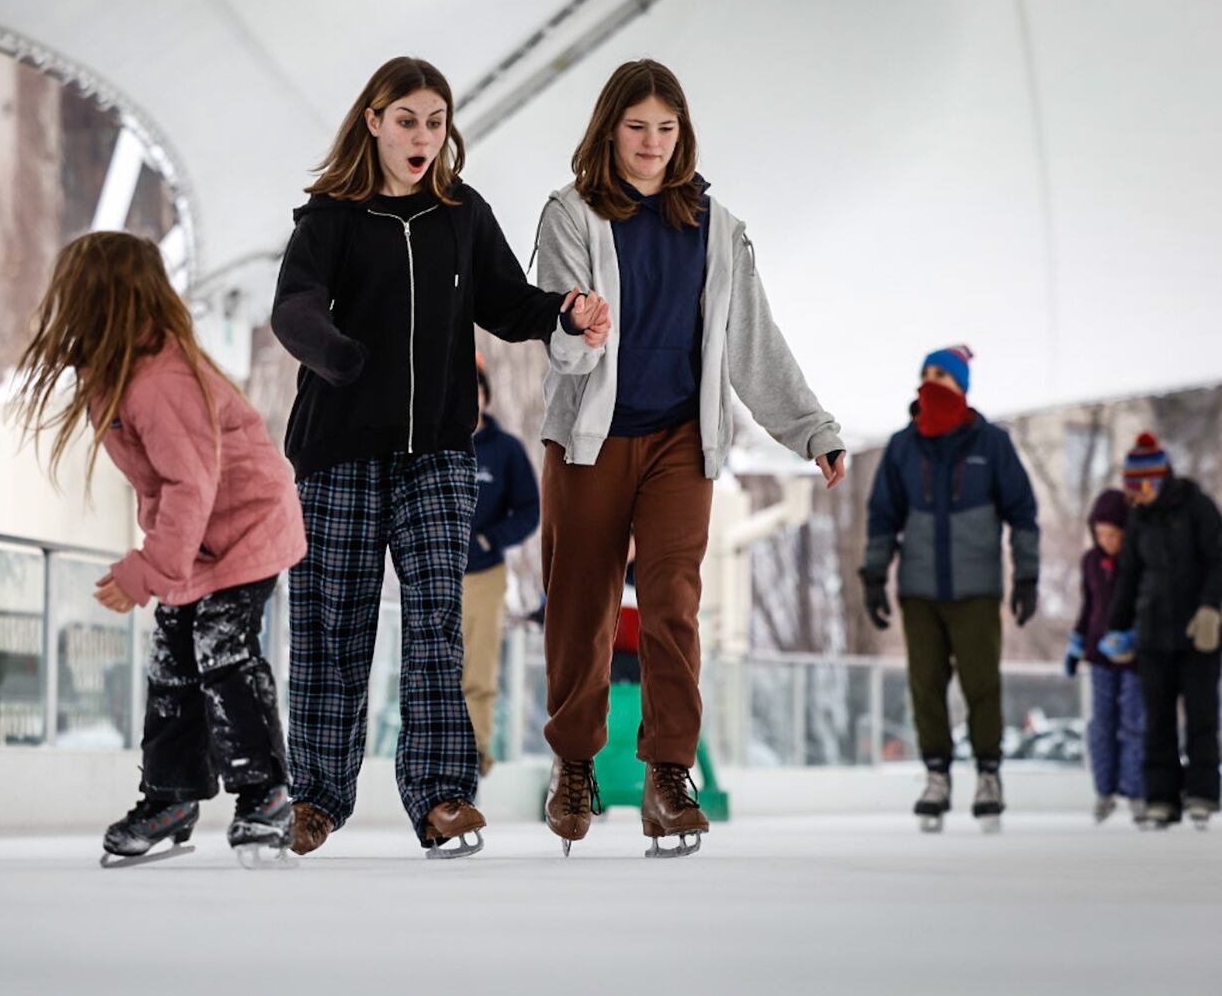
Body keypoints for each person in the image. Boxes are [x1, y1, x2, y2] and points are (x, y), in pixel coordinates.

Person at [271, 56, 609, 859]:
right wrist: (338, 355)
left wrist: (565, 313)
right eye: (407, 120)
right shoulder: (330, 218)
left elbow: (505, 301)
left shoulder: (460, 213)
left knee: (436, 624)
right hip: (340, 450)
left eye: (435, 121)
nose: (423, 136)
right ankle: (315, 797)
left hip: (439, 454)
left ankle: (442, 795)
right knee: (331, 624)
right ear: (374, 122)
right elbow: (293, 309)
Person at [536, 59, 846, 858]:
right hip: (589, 441)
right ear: (610, 131)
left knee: (673, 602)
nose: (651, 144)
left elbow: (753, 346)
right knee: (582, 606)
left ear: (684, 136)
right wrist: (577, 328)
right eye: (637, 127)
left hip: (681, 437)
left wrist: (811, 429)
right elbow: (562, 344)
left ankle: (669, 777)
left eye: (666, 129)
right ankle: (574, 762)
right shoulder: (570, 214)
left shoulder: (717, 227)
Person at [13, 231, 306, 866]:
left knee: (221, 650)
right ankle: (171, 795)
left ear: (103, 302)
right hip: (197, 537)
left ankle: (266, 793)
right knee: (171, 664)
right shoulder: (119, 372)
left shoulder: (159, 381)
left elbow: (189, 483)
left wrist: (148, 569)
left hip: (245, 527)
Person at [861, 344, 1039, 833]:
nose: (931, 380)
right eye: (926, 372)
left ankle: (988, 776)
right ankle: (936, 776)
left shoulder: (992, 443)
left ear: (962, 384)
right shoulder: (903, 446)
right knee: (926, 685)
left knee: (982, 684)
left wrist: (1027, 574)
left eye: (941, 373)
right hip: (918, 587)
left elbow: (1022, 512)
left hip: (976, 587)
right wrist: (874, 576)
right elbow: (882, 518)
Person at [1103, 433, 1222, 829]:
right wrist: (1117, 627)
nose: (1134, 496)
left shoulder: (1197, 507)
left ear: (1156, 480)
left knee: (1202, 715)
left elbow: (1218, 559)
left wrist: (1210, 607)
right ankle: (1162, 799)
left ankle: (1203, 791)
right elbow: (1128, 576)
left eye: (1139, 488)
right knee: (1158, 719)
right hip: (1153, 633)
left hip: (1197, 634)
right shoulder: (1139, 518)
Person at [461, 357, 540, 775]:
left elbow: (529, 510)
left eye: (477, 390)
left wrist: (491, 538)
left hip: (485, 574)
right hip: (434, 573)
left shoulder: (506, 449)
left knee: (479, 666)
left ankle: (476, 749)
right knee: (431, 666)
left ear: (485, 397)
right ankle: (434, 747)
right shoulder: (437, 441)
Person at [1064, 489, 1145, 824]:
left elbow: (1148, 604)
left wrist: (1135, 636)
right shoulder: (1090, 562)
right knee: (1102, 724)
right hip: (1099, 656)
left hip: (1132, 657)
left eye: (1113, 534)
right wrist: (1078, 641)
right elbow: (1089, 607)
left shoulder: (1139, 559)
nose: (1107, 540)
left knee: (1133, 722)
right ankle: (1105, 790)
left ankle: (1136, 791)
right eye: (1100, 534)